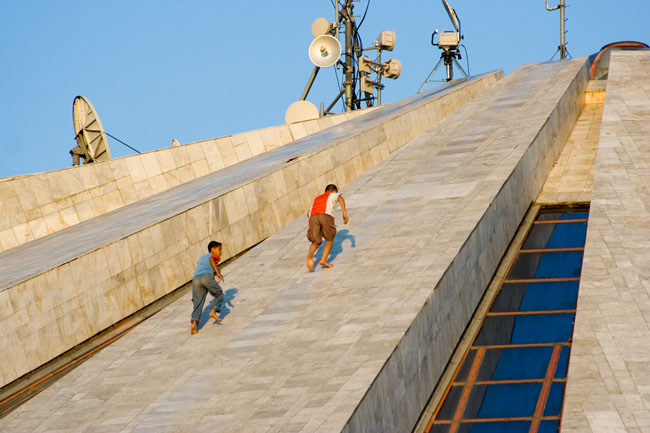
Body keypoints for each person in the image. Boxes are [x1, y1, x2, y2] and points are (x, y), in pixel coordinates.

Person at [306, 184, 349, 270]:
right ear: (333, 191)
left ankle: (310, 254)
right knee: (329, 240)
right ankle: (323, 260)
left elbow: (308, 213)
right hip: (325, 215)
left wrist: (317, 225)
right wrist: (344, 214)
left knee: (316, 242)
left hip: (313, 218)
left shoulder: (317, 199)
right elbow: (340, 198)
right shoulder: (331, 194)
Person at [191, 240, 225, 335]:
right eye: (219, 249)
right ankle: (213, 311)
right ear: (212, 249)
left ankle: (194, 323)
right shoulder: (213, 256)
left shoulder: (202, 258)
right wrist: (218, 273)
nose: (220, 252)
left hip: (195, 279)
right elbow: (211, 260)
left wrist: (216, 271)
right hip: (206, 277)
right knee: (219, 294)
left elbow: (206, 266)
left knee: (198, 302)